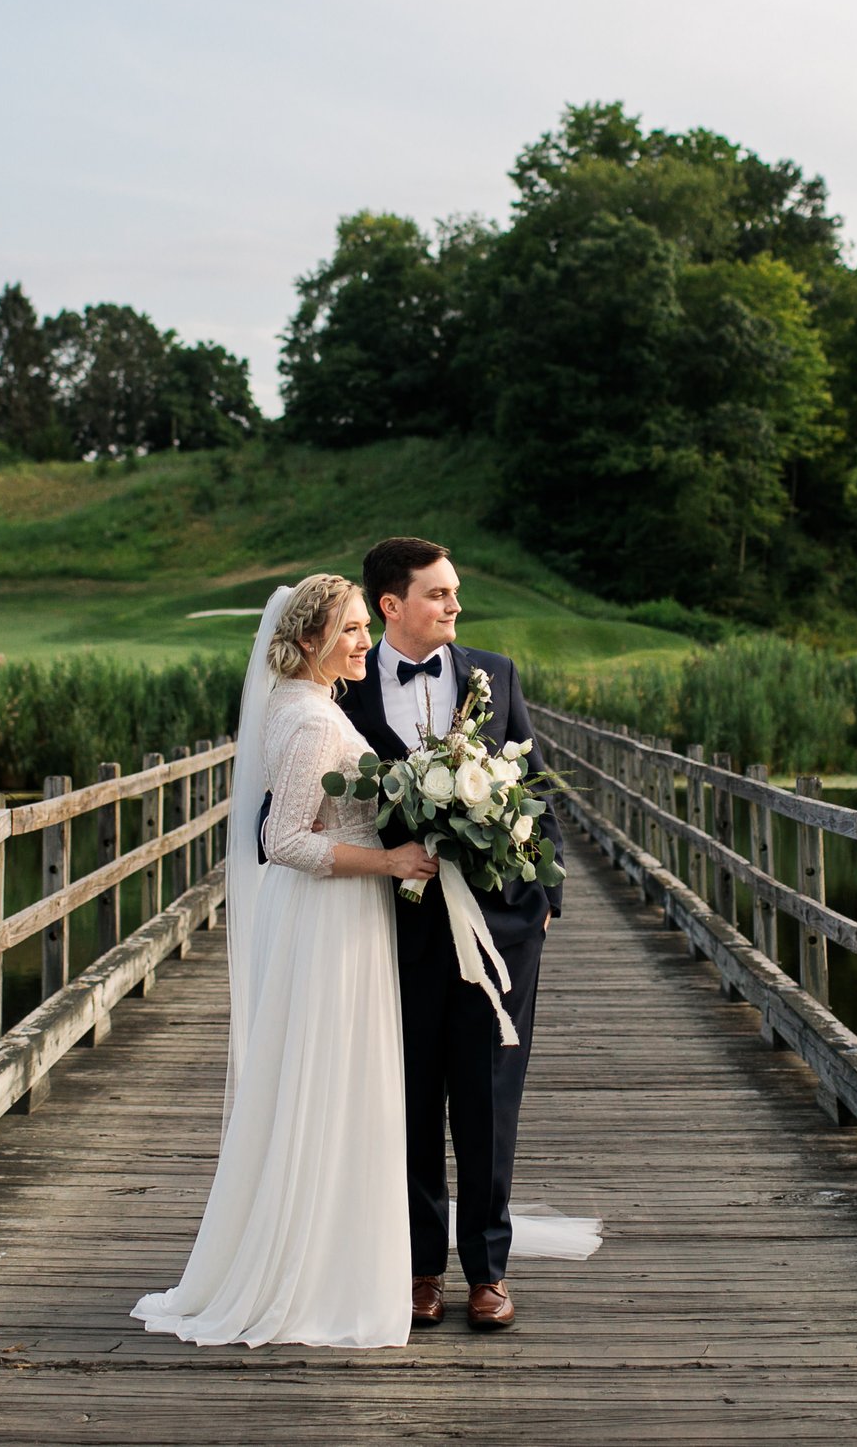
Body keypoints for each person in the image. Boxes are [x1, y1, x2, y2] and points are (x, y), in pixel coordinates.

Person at [132, 574, 442, 1347]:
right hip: (332, 919)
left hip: (344, 916)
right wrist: (392, 861)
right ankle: (310, 1274)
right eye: (349, 630)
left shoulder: (311, 705)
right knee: (330, 1080)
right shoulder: (308, 720)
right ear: (309, 641)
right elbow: (284, 841)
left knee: (339, 1084)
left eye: (367, 626)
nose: (364, 640)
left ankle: (338, 1254)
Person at [340, 536, 570, 1333]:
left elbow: (535, 787)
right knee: (406, 1100)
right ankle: (417, 1268)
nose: (455, 605)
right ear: (390, 605)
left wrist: (545, 896)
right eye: (438, 593)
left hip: (500, 928)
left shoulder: (494, 674)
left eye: (456, 592)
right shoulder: (347, 687)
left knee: (489, 1100)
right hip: (391, 932)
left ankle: (489, 1271)